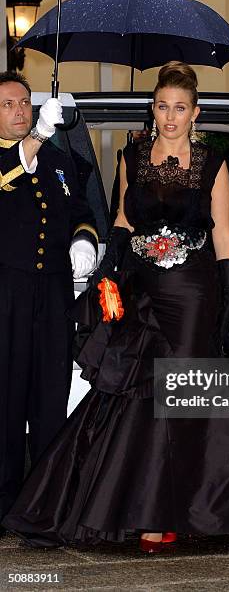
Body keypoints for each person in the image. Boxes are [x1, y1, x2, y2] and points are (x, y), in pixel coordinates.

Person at [3, 62, 229, 552]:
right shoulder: (133, 154)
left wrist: (226, 293)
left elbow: (223, 231)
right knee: (134, 393)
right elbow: (121, 217)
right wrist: (110, 272)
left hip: (193, 291)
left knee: (182, 392)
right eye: (162, 107)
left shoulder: (214, 160)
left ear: (195, 113)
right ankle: (142, 510)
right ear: (153, 109)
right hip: (142, 290)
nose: (169, 117)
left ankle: (194, 509)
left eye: (179, 108)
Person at [0, 72, 98, 535]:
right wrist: (37, 135)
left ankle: (41, 507)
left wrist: (84, 242)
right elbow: (6, 175)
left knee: (48, 399)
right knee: (6, 398)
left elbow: (82, 212)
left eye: (24, 102)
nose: (19, 110)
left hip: (55, 294)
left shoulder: (60, 161)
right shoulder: (7, 159)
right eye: (8, 104)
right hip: (7, 296)